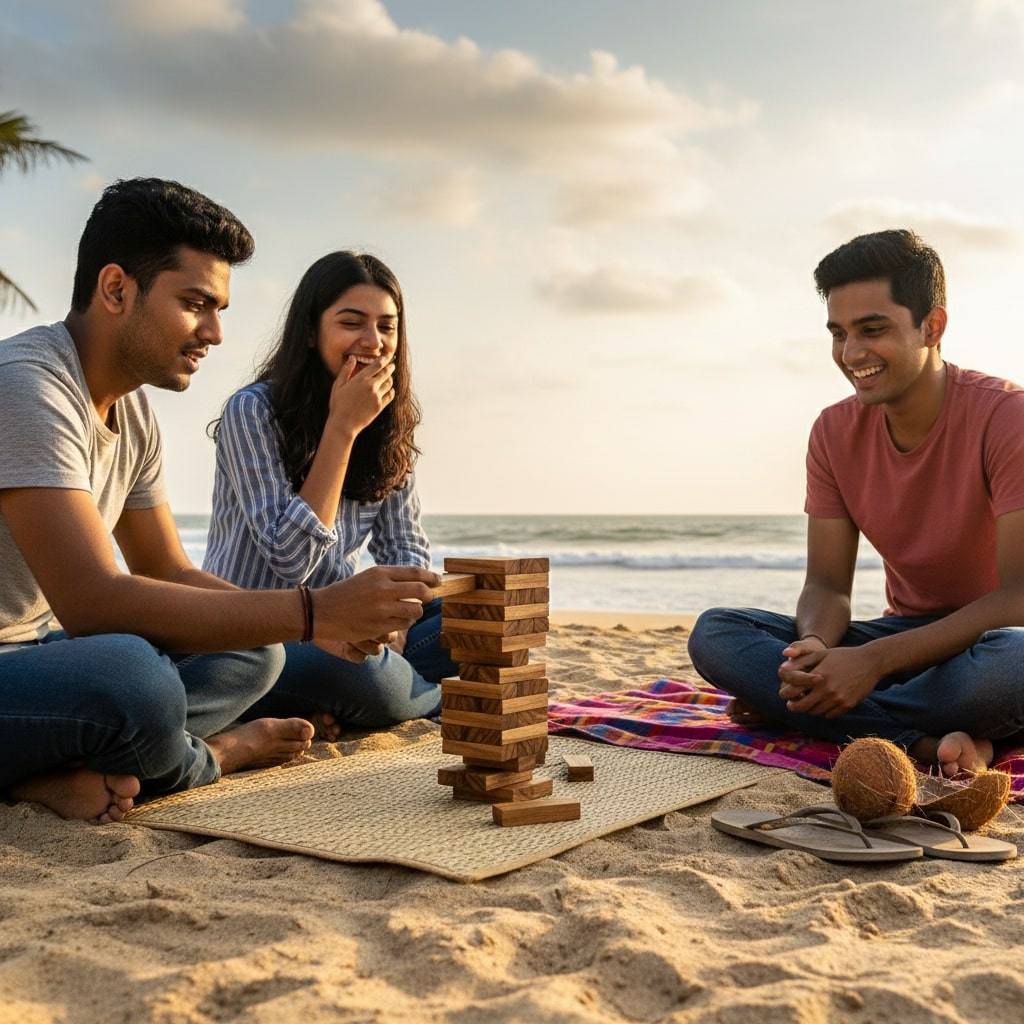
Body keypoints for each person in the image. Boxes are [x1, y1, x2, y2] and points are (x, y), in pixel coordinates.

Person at [0, 179, 439, 825]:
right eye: (196, 304)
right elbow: (94, 603)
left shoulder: (132, 410)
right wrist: (315, 615)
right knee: (130, 676)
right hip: (48, 656)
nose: (214, 332)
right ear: (116, 289)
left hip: (41, 653)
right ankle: (211, 755)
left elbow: (168, 571)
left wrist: (321, 624)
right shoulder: (28, 387)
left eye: (220, 309)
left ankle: (71, 769)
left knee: (252, 654)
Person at [687, 228, 1024, 778]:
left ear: (932, 326)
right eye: (839, 333)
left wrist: (869, 664)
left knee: (1016, 664)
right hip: (906, 641)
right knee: (717, 633)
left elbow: (1019, 597)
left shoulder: (1007, 417)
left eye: (872, 330)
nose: (851, 353)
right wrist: (815, 653)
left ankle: (828, 716)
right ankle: (917, 740)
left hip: (993, 643)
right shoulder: (833, 431)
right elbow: (824, 586)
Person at [203, 251, 456, 737]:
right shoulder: (253, 412)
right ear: (311, 330)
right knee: (367, 680)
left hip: (349, 626)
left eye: (387, 327)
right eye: (351, 323)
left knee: (472, 621)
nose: (373, 342)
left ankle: (383, 691)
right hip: (264, 637)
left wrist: (397, 619)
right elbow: (290, 559)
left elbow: (405, 545)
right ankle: (437, 696)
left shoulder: (389, 422)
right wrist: (342, 427)